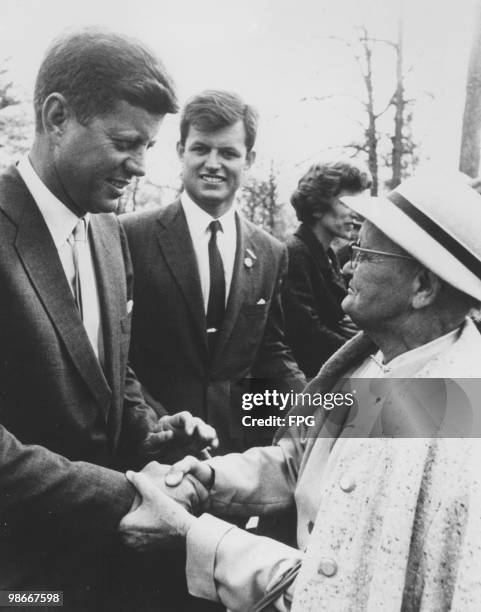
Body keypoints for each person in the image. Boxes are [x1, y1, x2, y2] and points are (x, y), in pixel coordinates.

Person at [120, 171, 481, 611]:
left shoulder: (453, 409)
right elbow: (304, 464)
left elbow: (338, 587)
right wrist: (207, 477)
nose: (347, 264)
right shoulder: (384, 361)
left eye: (365, 253)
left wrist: (189, 533)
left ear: (422, 287)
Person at [0, 29, 216, 610]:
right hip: (19, 583)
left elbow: (109, 371)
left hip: (99, 574)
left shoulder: (107, 231)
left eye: (149, 145)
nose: (141, 166)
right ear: (56, 116)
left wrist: (151, 430)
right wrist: (120, 495)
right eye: (126, 142)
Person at [121, 90, 305, 455]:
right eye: (201, 149)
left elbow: (270, 352)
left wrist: (313, 411)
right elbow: (117, 356)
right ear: (180, 151)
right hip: (153, 446)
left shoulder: (270, 251)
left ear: (248, 159)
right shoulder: (129, 235)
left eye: (228, 153)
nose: (212, 163)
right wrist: (159, 427)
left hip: (233, 454)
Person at [283, 159, 372, 378]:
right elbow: (306, 332)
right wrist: (364, 353)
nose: (355, 213)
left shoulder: (328, 254)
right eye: (346, 203)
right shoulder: (295, 253)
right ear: (317, 207)